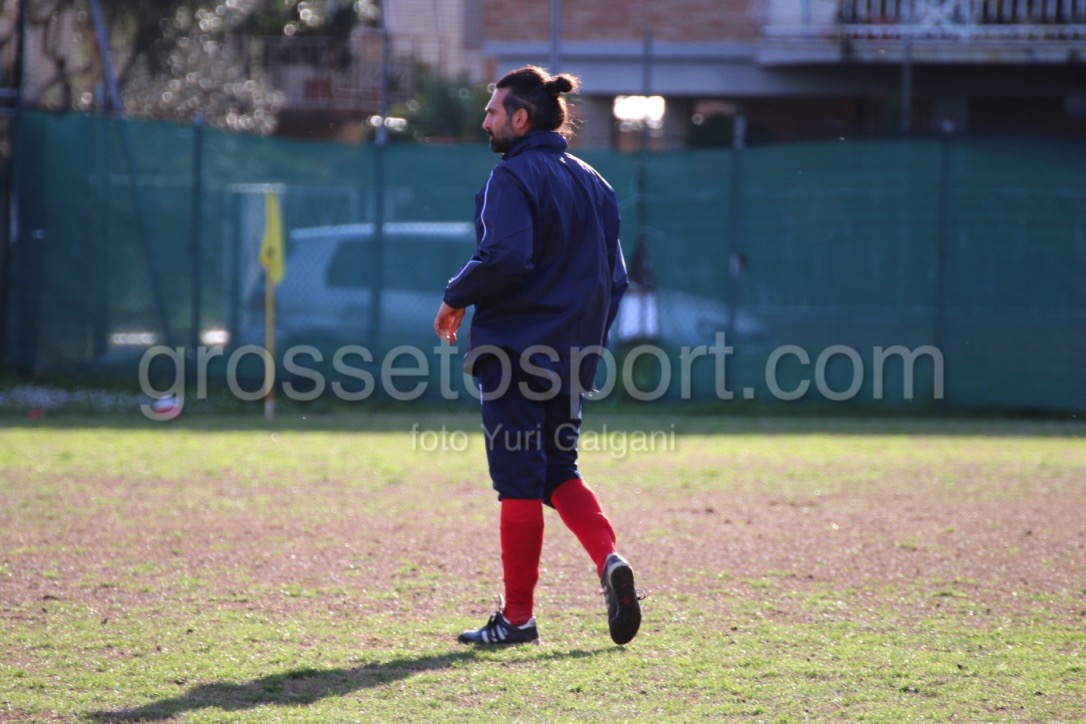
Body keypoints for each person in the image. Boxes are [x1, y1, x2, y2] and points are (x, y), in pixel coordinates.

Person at [434, 66, 642, 646]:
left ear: (521, 118)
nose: (486, 122)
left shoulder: (512, 176)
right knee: (557, 472)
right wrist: (585, 343)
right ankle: (609, 560)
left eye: (493, 111)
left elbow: (506, 256)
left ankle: (518, 618)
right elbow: (616, 280)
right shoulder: (595, 182)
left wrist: (455, 296)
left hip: (513, 353)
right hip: (571, 356)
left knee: (518, 483)